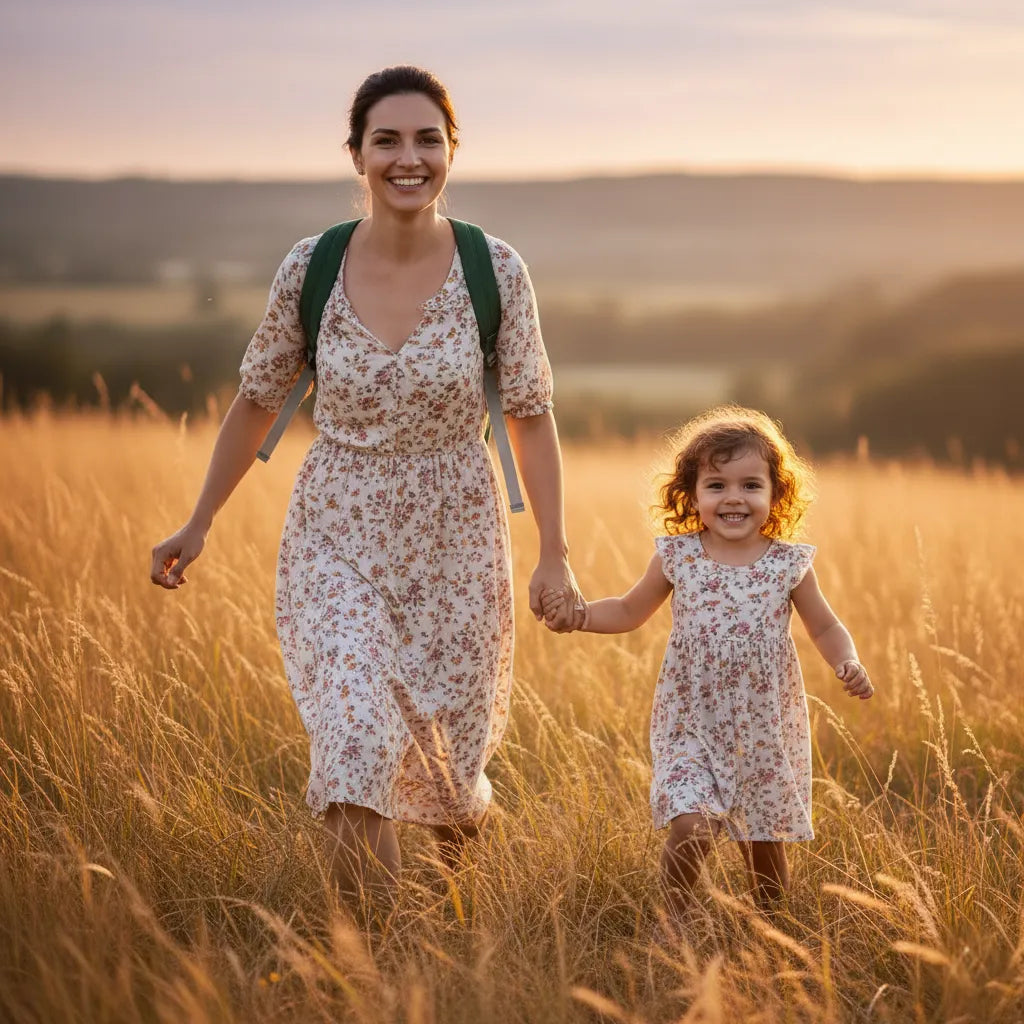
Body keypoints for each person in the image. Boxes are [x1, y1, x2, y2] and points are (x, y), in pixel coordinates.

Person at [150, 65, 581, 904]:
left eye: (427, 139)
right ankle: (372, 969)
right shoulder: (310, 267)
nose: (407, 158)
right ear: (357, 153)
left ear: (452, 149)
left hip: (457, 538)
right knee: (353, 741)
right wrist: (198, 521)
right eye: (387, 140)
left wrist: (553, 555)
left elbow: (529, 415)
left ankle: (456, 906)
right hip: (336, 533)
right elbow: (258, 398)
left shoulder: (496, 270)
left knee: (448, 774)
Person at [540, 405, 872, 918]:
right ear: (692, 495)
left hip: (763, 727)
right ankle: (672, 922)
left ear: (774, 494)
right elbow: (630, 609)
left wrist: (845, 661)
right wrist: (580, 616)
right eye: (716, 485)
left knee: (763, 843)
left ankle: (773, 931)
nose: (734, 498)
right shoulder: (679, 556)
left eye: (750, 485)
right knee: (691, 824)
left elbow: (825, 626)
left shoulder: (788, 564)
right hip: (691, 721)